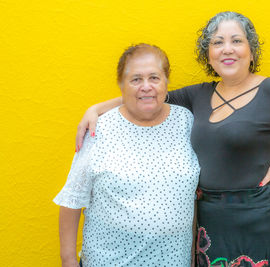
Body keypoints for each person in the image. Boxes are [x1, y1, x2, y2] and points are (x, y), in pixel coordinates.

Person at [75, 12, 270, 267]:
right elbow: (148, 97)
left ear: (251, 51)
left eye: (236, 41)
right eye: (217, 42)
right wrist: (96, 109)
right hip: (209, 219)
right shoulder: (198, 96)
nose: (227, 48)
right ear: (208, 55)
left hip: (257, 216)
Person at [54, 44, 200, 267]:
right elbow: (72, 199)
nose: (146, 86)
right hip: (108, 261)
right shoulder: (98, 129)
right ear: (121, 85)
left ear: (166, 81)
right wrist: (68, 260)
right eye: (135, 79)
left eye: (154, 77)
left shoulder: (187, 122)